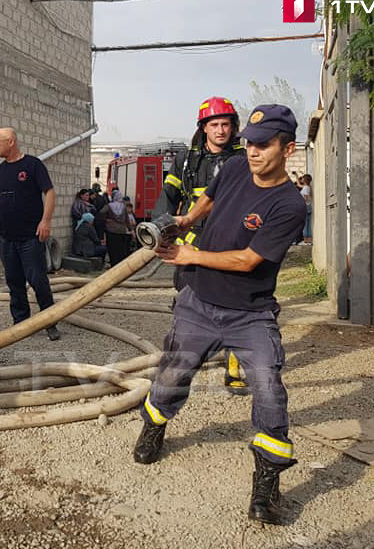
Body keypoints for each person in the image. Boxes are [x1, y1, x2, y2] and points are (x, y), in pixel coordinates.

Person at [133, 104, 307, 526]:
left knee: (268, 386)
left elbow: (249, 260)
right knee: (173, 373)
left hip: (250, 312)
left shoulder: (290, 205)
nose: (252, 150)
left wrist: (192, 253)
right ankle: (154, 426)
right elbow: (207, 202)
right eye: (249, 141)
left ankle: (266, 485)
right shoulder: (231, 169)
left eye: (264, 144)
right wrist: (184, 220)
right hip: (199, 301)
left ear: (289, 148)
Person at [156, 96, 250, 395]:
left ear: (233, 127)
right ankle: (179, 364)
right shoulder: (185, 161)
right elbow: (168, 196)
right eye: (214, 125)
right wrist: (158, 228)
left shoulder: (244, 160)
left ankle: (233, 366)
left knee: (237, 303)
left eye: (226, 124)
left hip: (231, 239)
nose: (221, 130)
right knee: (187, 300)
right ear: (204, 128)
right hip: (192, 240)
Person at [0, 127, 61, 341]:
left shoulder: (33, 165)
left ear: (11, 141)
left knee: (38, 280)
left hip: (30, 237)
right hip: (7, 237)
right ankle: (21, 324)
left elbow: (50, 192)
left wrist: (45, 221)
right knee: (14, 281)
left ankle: (49, 322)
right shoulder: (1, 171)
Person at [103, 190, 134, 266]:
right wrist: (131, 230)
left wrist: (107, 220)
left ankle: (113, 263)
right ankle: (119, 264)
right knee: (120, 249)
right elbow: (127, 220)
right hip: (121, 230)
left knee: (112, 248)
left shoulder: (109, 206)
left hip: (111, 230)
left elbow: (101, 213)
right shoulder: (123, 207)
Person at [299, 174, 313, 244]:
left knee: (305, 223)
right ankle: (308, 239)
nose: (301, 179)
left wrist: (302, 200)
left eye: (302, 178)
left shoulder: (306, 188)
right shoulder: (307, 187)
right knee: (307, 223)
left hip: (306, 207)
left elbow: (306, 197)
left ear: (304, 180)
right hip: (308, 206)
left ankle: (306, 239)